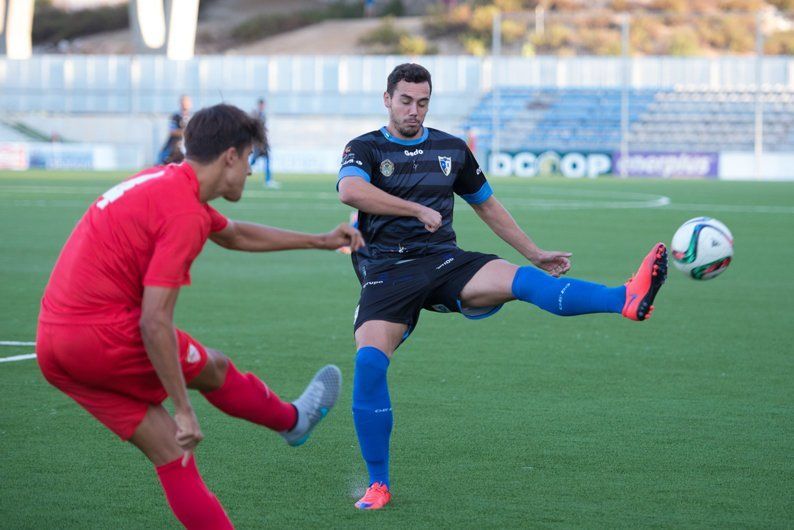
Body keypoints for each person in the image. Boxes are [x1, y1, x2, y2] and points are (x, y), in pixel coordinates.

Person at [336, 63, 668, 510]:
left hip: (445, 261)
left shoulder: (451, 149)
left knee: (526, 281)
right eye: (406, 101)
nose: (414, 110)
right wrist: (414, 210)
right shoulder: (365, 148)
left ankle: (624, 299)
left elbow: (486, 205)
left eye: (423, 102)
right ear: (387, 99)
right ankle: (379, 484)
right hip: (386, 272)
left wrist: (534, 252)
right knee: (371, 367)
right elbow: (351, 192)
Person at [37, 103, 364, 528]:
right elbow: (153, 322)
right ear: (230, 156)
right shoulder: (183, 212)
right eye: (250, 159)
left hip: (54, 346)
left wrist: (320, 240)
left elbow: (235, 234)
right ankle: (293, 422)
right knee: (212, 368)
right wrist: (183, 407)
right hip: (101, 334)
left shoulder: (163, 180)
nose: (250, 170)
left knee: (174, 457)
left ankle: (292, 421)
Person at [250, 97, 278, 188]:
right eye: (261, 105)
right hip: (258, 144)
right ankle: (240, 175)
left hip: (263, 143)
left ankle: (268, 180)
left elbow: (263, 131)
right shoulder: (255, 114)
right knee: (253, 162)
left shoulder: (263, 115)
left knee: (267, 161)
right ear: (259, 105)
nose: (262, 106)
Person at [158, 94, 192, 164]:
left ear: (190, 104)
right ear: (180, 103)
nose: (185, 104)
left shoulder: (192, 118)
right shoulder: (175, 116)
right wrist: (186, 132)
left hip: (187, 147)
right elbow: (172, 131)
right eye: (183, 102)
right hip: (173, 146)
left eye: (186, 102)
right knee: (162, 162)